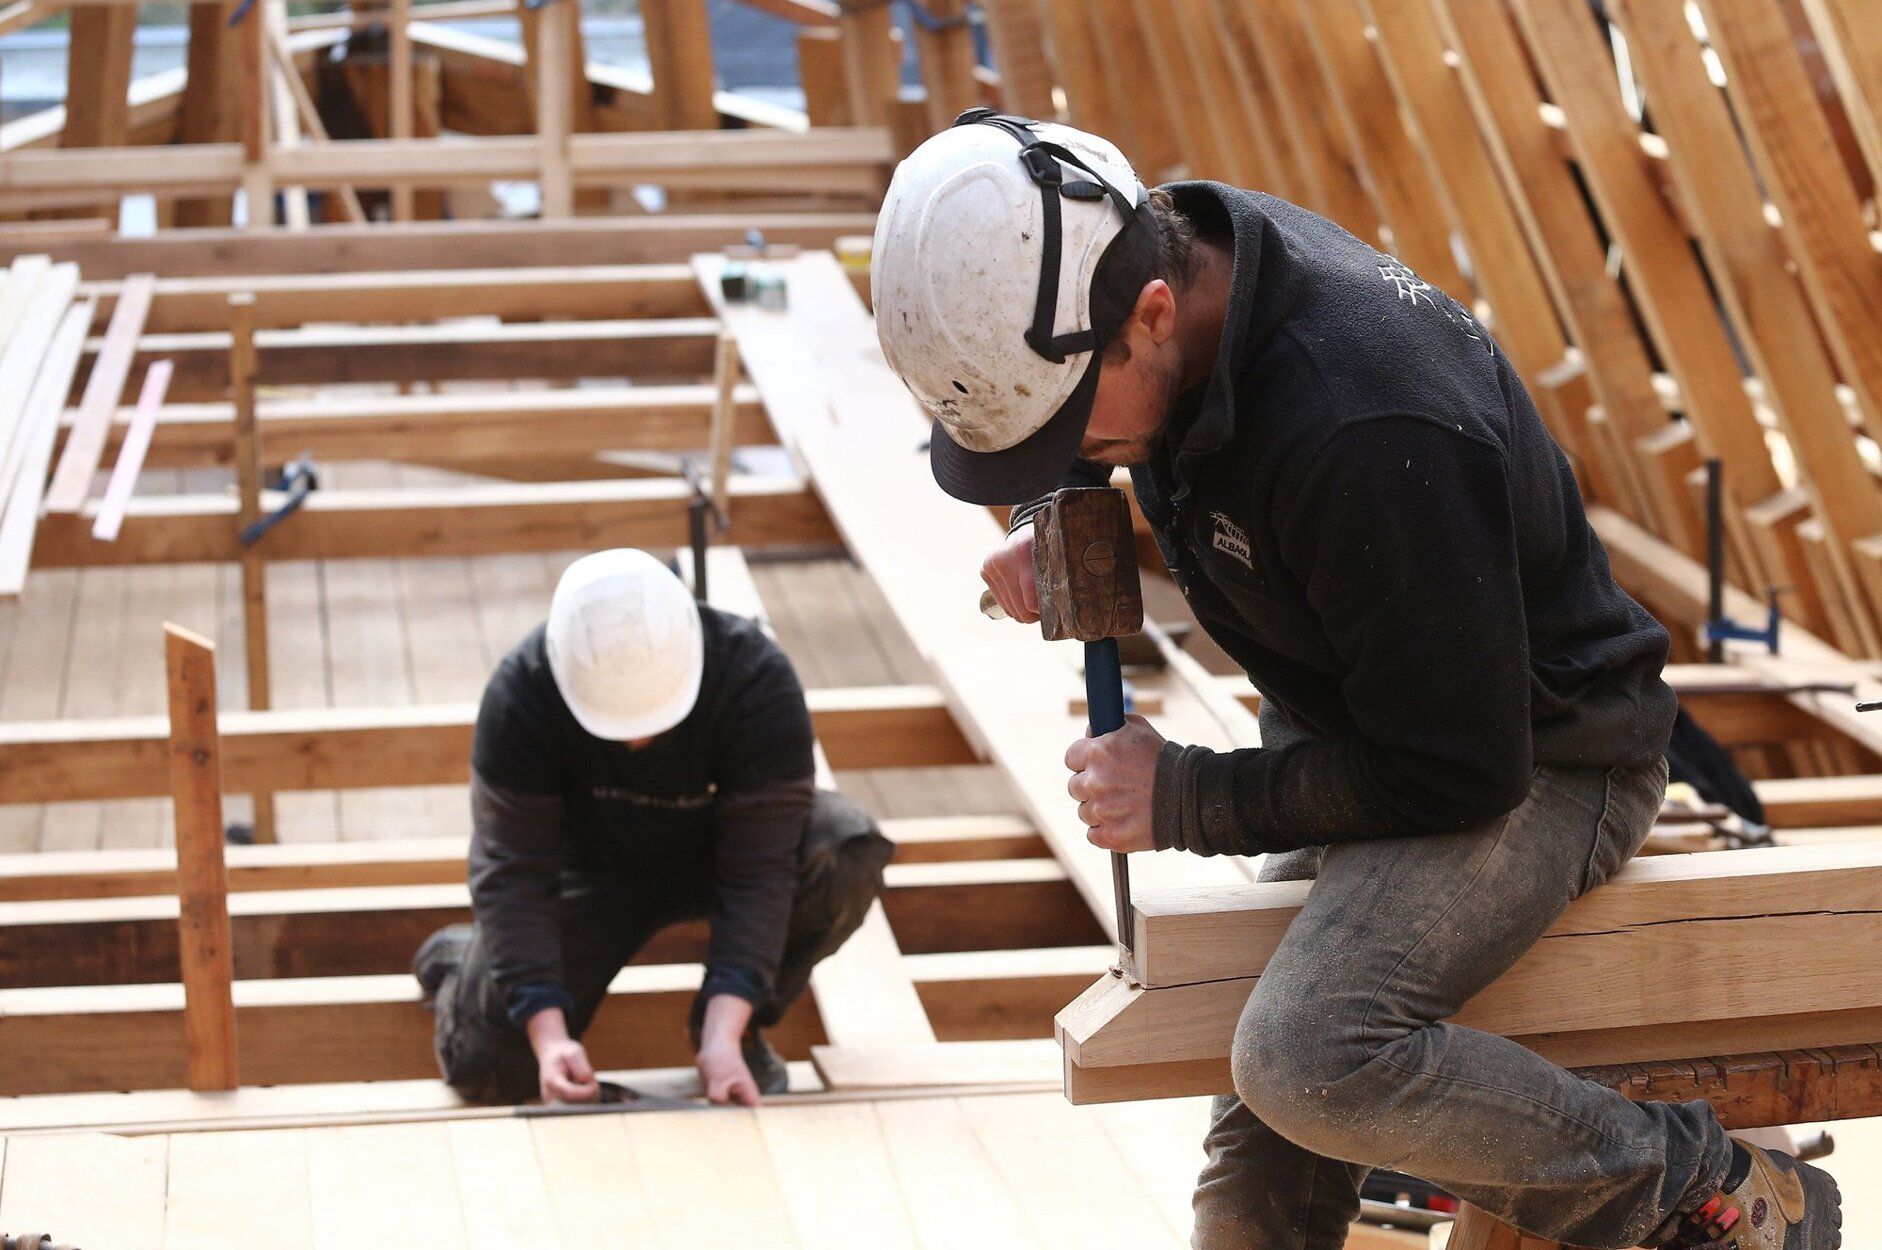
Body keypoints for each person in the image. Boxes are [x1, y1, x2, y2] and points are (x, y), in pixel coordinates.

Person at [870, 110, 1841, 1250]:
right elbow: (1170, 434)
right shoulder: (1165, 263)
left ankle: (1720, 1194)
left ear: (1149, 315)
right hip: (1371, 727)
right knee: (1259, 1100)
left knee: (1306, 1057)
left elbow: (1461, 769)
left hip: (1541, 757)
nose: (1075, 456)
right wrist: (1062, 509)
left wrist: (1182, 794)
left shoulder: (1368, 424)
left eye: (1068, 436)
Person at [414, 548, 892, 1106]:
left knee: (844, 850)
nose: (635, 743)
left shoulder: (754, 678)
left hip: (716, 858)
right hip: (590, 870)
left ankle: (736, 1030)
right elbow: (513, 872)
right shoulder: (522, 694)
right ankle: (465, 965)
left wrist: (723, 1031)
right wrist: (548, 1040)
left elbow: (761, 869)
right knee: (487, 1070)